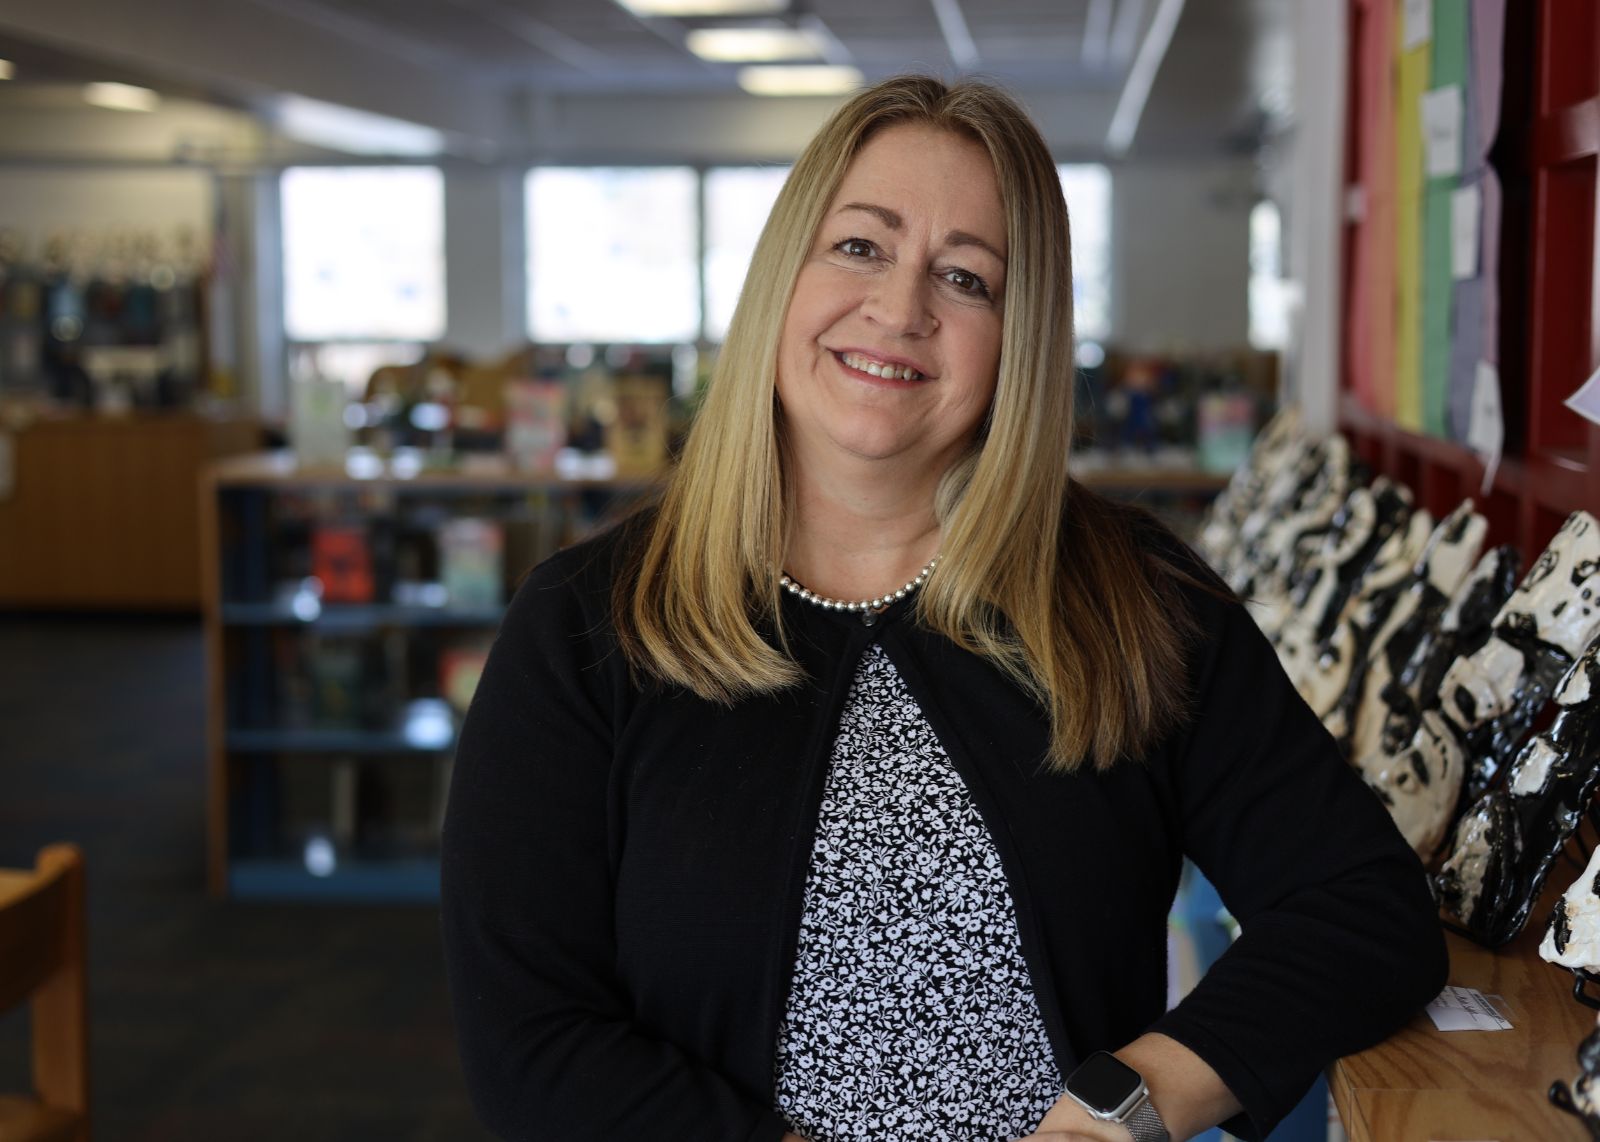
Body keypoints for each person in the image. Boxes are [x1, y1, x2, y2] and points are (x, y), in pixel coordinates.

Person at [440, 75, 1446, 1142]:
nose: (900, 308)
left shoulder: (1131, 597)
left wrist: (1128, 1103)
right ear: (785, 272)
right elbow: (530, 1038)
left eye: (966, 277)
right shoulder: (590, 623)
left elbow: (1363, 907)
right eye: (861, 247)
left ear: (1020, 337)